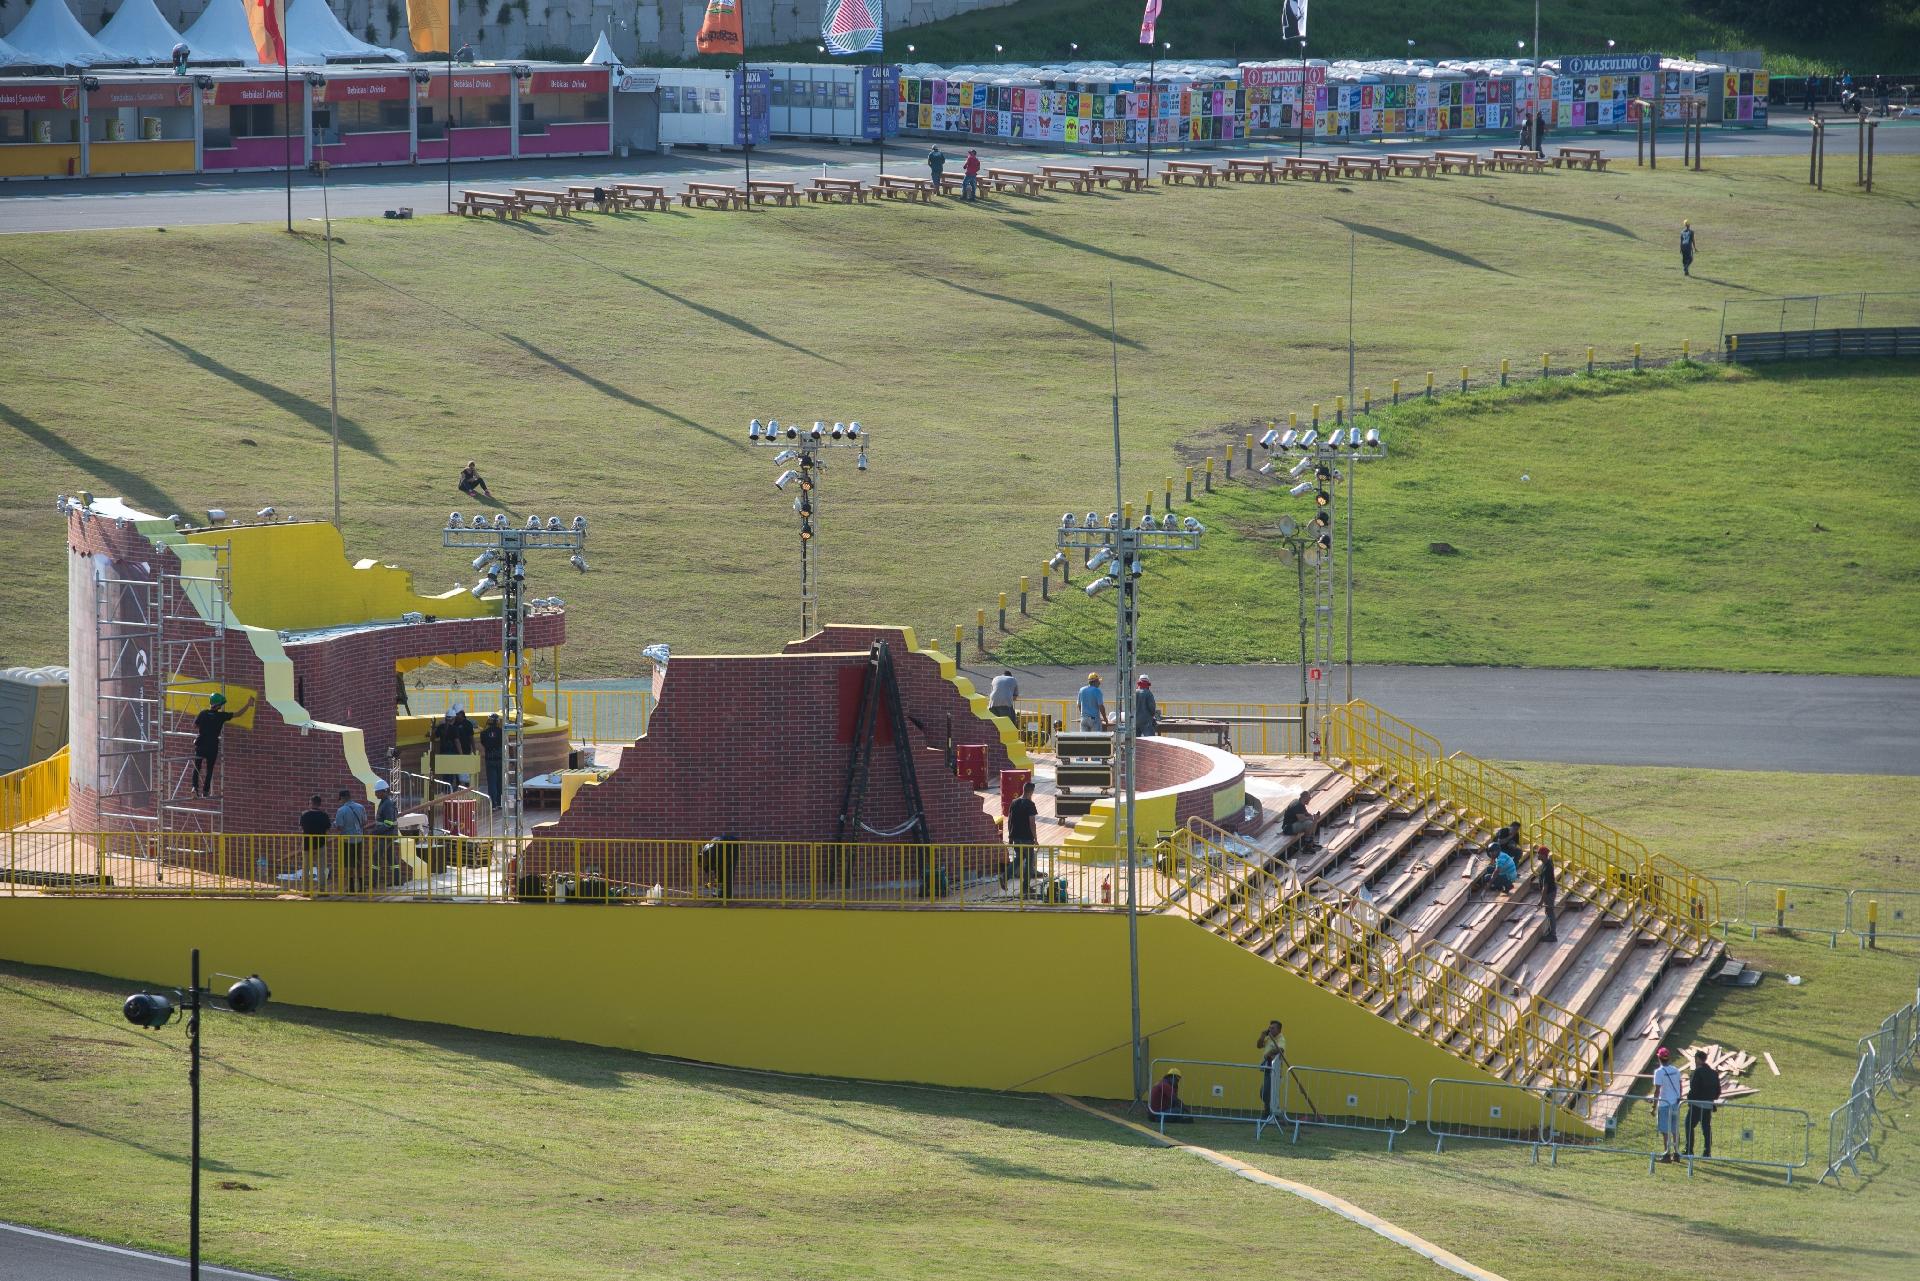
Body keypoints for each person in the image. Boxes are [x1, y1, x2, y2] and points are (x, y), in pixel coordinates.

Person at [189, 690, 253, 798]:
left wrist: (204, 727)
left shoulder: (203, 713)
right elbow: (238, 714)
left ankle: (194, 788)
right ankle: (205, 791)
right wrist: (248, 704)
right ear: (218, 706)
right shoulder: (221, 716)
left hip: (201, 745)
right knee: (209, 769)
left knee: (197, 768)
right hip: (212, 746)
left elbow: (194, 726)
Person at [1003, 779, 1039, 892]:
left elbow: (1010, 821)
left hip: (1016, 837)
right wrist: (1036, 839)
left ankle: (1004, 877)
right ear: (1031, 792)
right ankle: (1025, 888)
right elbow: (1032, 823)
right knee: (1029, 861)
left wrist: (1010, 837)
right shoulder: (1030, 805)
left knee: (1019, 859)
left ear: (1023, 790)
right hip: (1027, 838)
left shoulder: (1014, 802)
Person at [1686, 1047, 1721, 1158]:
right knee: (1706, 1128)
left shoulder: (1697, 1072)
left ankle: (1689, 1149)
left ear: (1697, 1059)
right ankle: (1707, 1152)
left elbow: (1693, 1088)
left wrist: (1689, 1099)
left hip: (1696, 1104)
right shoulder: (1714, 1073)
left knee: (1689, 1125)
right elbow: (1718, 1090)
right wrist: (1711, 1098)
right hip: (1708, 1104)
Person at [1653, 1046, 1685, 1162]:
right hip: (1675, 1103)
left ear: (1659, 1058)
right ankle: (1677, 1154)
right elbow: (1680, 1086)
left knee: (1665, 1131)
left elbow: (1657, 1090)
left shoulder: (1659, 1072)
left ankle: (1666, 1154)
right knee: (1675, 1130)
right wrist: (1679, 1097)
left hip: (1664, 1104)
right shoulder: (1676, 1070)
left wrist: (1653, 1106)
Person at [333, 787, 368, 895]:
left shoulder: (341, 810)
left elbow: (339, 826)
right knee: (359, 863)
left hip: (347, 840)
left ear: (343, 798)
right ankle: (361, 887)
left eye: (340, 799)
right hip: (359, 838)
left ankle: (351, 887)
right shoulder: (360, 807)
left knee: (348, 864)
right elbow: (364, 822)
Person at [1256, 1020, 1288, 1118]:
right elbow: (1259, 1045)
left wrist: (1269, 1054)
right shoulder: (1269, 1038)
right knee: (1265, 1092)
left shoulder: (1280, 1038)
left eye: (1273, 1028)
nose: (1270, 1029)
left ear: (1278, 1030)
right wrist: (1262, 1035)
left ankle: (1271, 1112)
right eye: (1269, 1028)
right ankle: (1270, 1110)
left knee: (1269, 1092)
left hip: (1275, 1069)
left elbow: (1280, 1049)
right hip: (1267, 1068)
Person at [298, 793, 330, 888]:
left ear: (310, 803)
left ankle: (306, 890)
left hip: (307, 843)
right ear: (320, 804)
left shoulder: (304, 814)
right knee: (321, 868)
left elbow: (301, 829)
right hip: (320, 843)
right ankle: (322, 890)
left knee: (306, 867)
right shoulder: (324, 815)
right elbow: (328, 829)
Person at [480, 713, 504, 808]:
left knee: (492, 783)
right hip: (500, 760)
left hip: (489, 760)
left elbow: (484, 744)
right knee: (500, 782)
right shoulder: (502, 732)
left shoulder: (484, 733)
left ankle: (493, 804)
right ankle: (499, 803)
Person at [1537, 847, 1559, 942]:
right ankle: (1550, 932)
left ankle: (1553, 935)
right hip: (1550, 892)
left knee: (1550, 912)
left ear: (1543, 855)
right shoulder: (1547, 863)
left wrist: (1541, 901)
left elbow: (1545, 887)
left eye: (1538, 853)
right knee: (1548, 912)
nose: (1537, 855)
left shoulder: (1547, 868)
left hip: (1549, 893)